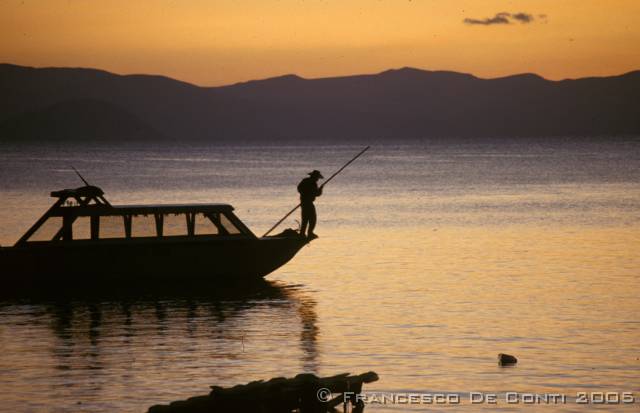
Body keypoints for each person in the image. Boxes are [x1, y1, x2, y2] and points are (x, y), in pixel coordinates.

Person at [297, 170, 323, 239]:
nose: (317, 179)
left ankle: (302, 233)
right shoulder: (313, 183)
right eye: (317, 178)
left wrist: (304, 193)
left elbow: (299, 189)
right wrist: (320, 189)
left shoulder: (305, 181)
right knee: (312, 218)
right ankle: (310, 233)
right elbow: (317, 194)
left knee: (305, 218)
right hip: (308, 202)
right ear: (315, 177)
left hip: (303, 202)